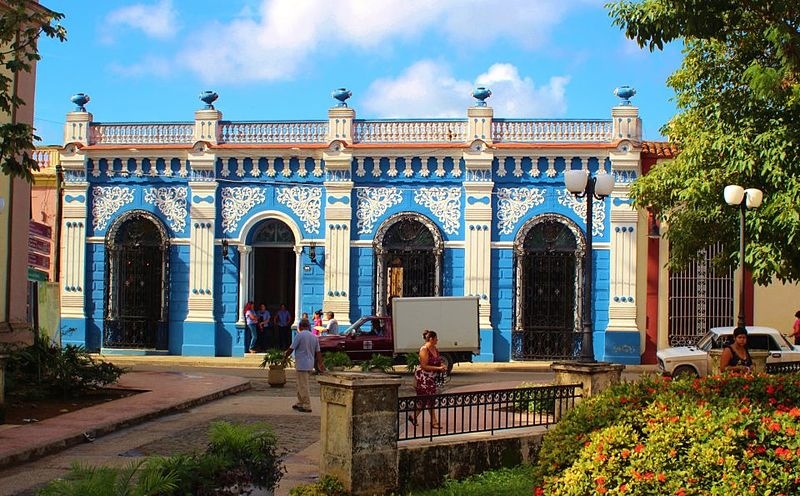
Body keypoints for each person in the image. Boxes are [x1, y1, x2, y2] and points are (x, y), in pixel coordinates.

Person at [283, 318, 325, 413]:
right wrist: (320, 363)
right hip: (309, 363)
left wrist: (285, 357)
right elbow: (318, 352)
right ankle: (300, 402)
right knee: (300, 383)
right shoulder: (314, 337)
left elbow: (291, 348)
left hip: (301, 363)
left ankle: (307, 404)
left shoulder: (299, 336)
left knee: (303, 385)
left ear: (300, 326)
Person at [410, 329, 447, 429]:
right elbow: (424, 366)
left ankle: (413, 416)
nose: (437, 340)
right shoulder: (424, 349)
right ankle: (434, 421)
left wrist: (442, 366)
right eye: (436, 339)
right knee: (428, 399)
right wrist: (438, 368)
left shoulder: (435, 349)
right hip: (423, 379)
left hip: (432, 378)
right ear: (431, 339)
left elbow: (437, 361)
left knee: (426, 400)